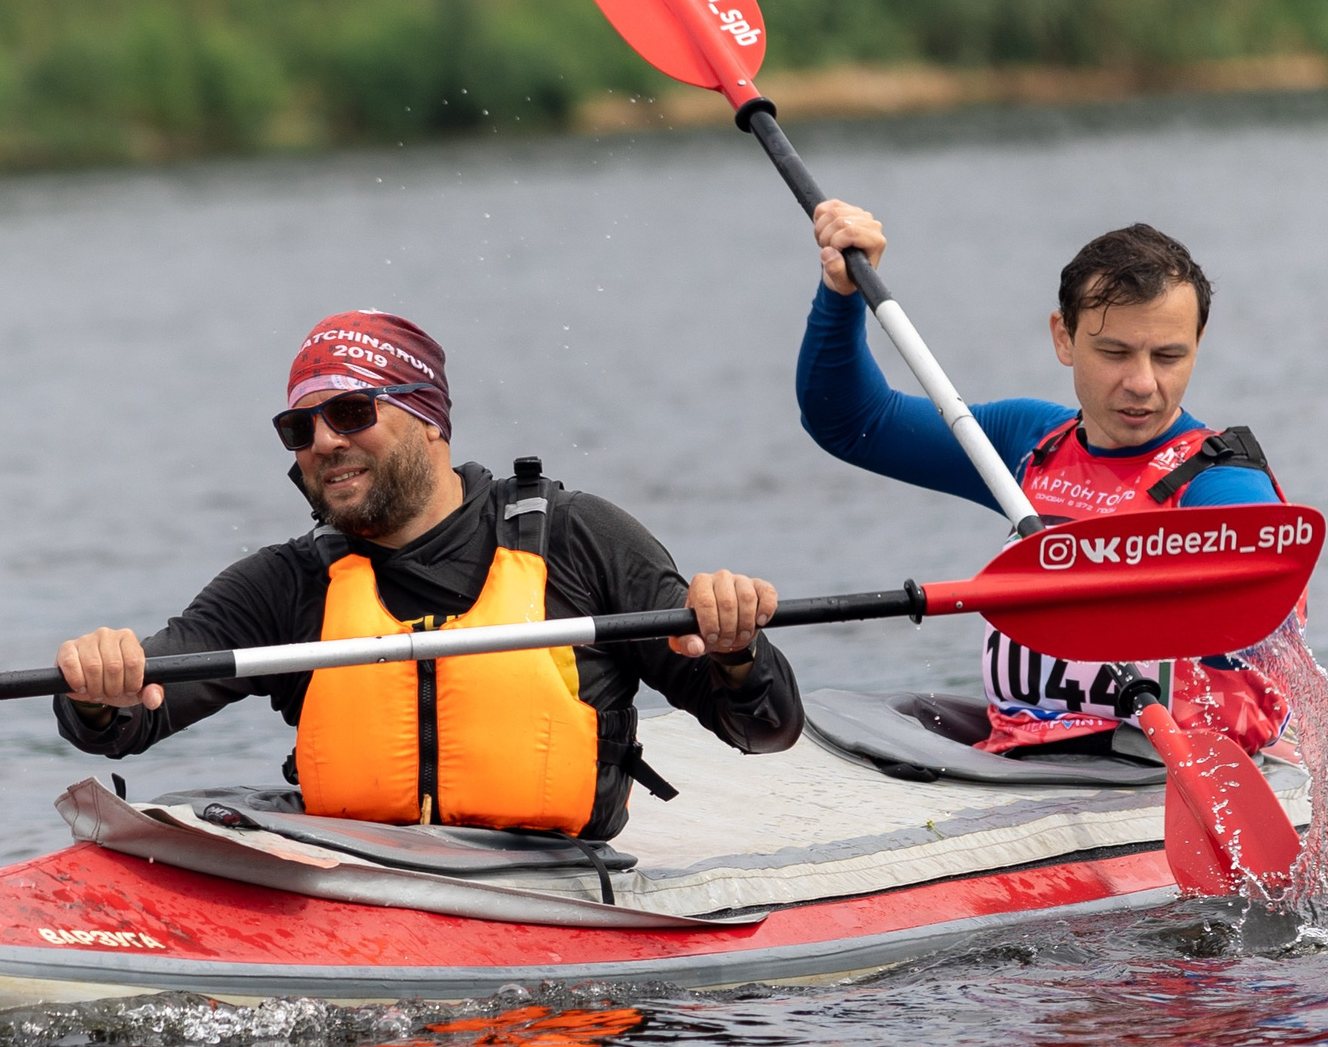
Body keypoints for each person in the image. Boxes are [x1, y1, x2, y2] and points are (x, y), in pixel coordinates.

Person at [56, 310, 803, 841]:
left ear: (429, 421)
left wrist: (737, 650)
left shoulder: (579, 539)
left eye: (352, 412)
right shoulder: (286, 584)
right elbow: (126, 722)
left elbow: (765, 729)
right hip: (365, 887)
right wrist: (97, 689)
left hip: (559, 894)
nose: (323, 442)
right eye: (299, 427)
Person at [797, 206, 1288, 755]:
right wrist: (840, 294)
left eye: (1169, 356)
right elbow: (852, 421)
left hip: (1159, 767)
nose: (1143, 382)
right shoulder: (1029, 440)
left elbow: (1264, 588)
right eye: (1115, 352)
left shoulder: (1220, 483)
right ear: (1064, 338)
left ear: (1197, 343)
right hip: (1019, 765)